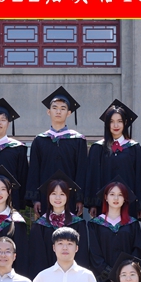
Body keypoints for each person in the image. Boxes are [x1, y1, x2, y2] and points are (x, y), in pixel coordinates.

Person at [26, 86, 87, 215]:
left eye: (63, 108)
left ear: (69, 113)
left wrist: (79, 199)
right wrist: (36, 199)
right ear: (49, 112)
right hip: (45, 197)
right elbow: (34, 171)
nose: (58, 111)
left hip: (70, 197)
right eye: (55, 108)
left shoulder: (78, 140)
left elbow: (82, 171)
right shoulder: (40, 140)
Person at [87, 177, 141, 282]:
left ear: (125, 199)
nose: (116, 198)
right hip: (103, 281)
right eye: (112, 194)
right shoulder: (95, 224)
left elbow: (138, 248)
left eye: (120, 195)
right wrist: (110, 273)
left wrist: (125, 272)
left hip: (127, 281)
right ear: (106, 197)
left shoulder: (132, 224)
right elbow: (95, 253)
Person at [85, 99, 141, 218]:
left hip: (128, 203)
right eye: (111, 121)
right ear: (107, 124)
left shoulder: (134, 148)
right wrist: (94, 204)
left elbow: (139, 178)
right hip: (104, 204)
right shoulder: (98, 148)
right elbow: (93, 177)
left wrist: (139, 205)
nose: (115, 125)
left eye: (119, 121)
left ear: (125, 123)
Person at [27, 171, 89, 279]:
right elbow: (37, 258)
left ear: (67, 196)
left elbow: (82, 256)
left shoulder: (78, 224)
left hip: (73, 278)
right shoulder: (39, 226)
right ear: (48, 196)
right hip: (47, 280)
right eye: (53, 194)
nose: (58, 198)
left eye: (62, 194)